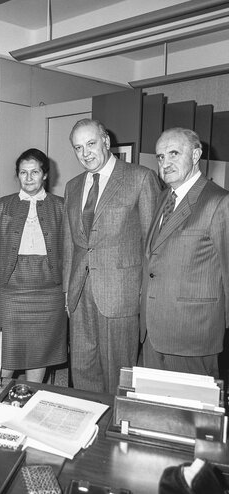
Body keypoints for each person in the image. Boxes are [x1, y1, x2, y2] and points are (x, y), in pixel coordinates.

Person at [63, 119, 161, 394]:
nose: (85, 153)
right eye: (78, 148)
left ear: (106, 141)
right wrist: (66, 291)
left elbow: (152, 245)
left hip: (121, 294)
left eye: (91, 144)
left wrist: (147, 295)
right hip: (80, 293)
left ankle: (116, 428)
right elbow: (70, 244)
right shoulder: (72, 186)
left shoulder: (140, 178)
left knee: (119, 371)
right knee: (82, 367)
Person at [141, 127, 229, 377]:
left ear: (195, 155)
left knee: (190, 413)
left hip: (192, 335)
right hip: (152, 332)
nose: (165, 163)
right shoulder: (163, 198)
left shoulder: (219, 202)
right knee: (156, 408)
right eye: (160, 157)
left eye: (173, 153)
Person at [0, 148, 67, 383]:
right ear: (17, 175)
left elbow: (68, 253)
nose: (29, 178)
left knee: (39, 353)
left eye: (35, 172)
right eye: (23, 172)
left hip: (49, 292)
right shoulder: (3, 205)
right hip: (11, 289)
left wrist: (68, 290)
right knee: (5, 354)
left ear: (45, 175)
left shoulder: (61, 205)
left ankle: (31, 396)